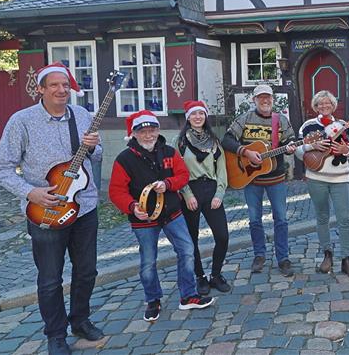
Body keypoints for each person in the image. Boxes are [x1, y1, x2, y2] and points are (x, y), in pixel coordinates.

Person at [0, 63, 104, 355]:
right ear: (40, 89)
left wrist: (92, 147)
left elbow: (97, 153)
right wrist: (31, 193)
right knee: (51, 278)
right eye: (53, 85)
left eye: (65, 85)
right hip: (46, 210)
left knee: (87, 271)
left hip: (85, 207)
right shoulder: (22, 121)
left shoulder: (81, 115)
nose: (61, 90)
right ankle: (55, 334)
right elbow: (0, 168)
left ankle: (80, 320)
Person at [109, 110, 214, 322]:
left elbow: (183, 175)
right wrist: (131, 207)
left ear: (158, 131)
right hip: (144, 219)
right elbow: (116, 191)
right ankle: (153, 299)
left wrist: (167, 184)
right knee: (148, 261)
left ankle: (188, 295)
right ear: (135, 134)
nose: (148, 135)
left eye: (152, 130)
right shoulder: (124, 159)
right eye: (143, 131)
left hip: (172, 212)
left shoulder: (169, 152)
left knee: (187, 250)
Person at [221, 84, 296, 276]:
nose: (265, 100)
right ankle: (259, 255)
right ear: (254, 100)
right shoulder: (245, 119)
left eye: (268, 97)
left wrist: (290, 147)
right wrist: (245, 151)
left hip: (276, 178)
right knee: (254, 220)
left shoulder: (281, 121)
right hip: (250, 178)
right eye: (261, 97)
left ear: (273, 99)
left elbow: (290, 141)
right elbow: (227, 140)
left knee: (281, 219)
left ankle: (283, 258)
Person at [295, 90, 349, 278]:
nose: (324, 106)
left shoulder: (343, 125)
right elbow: (298, 151)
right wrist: (311, 146)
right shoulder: (308, 126)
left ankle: (346, 259)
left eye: (327, 104)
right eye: (320, 104)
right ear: (316, 107)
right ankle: (327, 255)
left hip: (340, 178)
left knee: (344, 219)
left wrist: (345, 149)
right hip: (316, 178)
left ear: (333, 106)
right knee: (322, 217)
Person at [175, 100, 230, 294]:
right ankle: (200, 277)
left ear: (205, 116)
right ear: (188, 117)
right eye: (193, 114)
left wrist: (220, 193)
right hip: (191, 190)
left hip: (212, 189)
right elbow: (177, 170)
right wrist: (187, 194)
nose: (197, 117)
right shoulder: (180, 142)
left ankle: (216, 274)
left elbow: (221, 169)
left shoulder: (214, 141)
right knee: (192, 238)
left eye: (201, 113)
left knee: (222, 236)